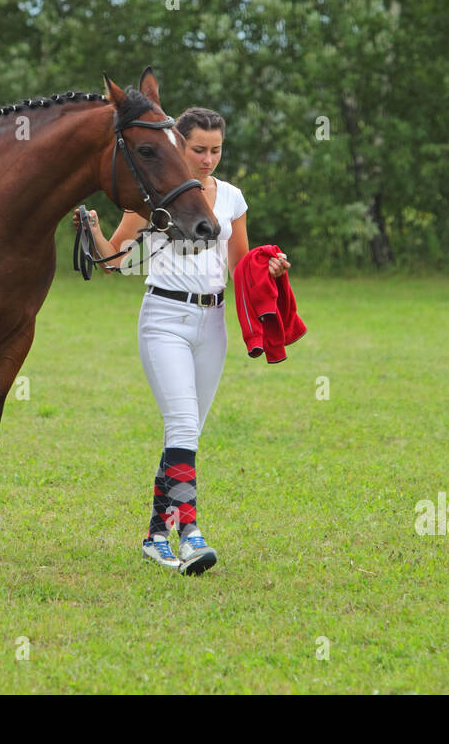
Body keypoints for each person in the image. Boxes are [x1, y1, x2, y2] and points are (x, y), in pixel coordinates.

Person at [72, 107, 290, 574]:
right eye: (198, 149)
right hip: (164, 317)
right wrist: (91, 229)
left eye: (215, 150)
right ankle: (189, 532)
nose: (208, 159)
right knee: (184, 426)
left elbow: (240, 265)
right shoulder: (152, 196)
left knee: (184, 433)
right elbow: (113, 260)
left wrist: (268, 269)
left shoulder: (231, 197)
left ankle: (155, 534)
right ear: (179, 145)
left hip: (212, 324)